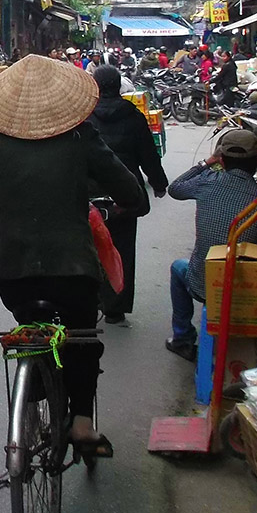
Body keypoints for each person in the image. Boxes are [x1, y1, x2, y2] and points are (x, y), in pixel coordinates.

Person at [0, 55, 143, 460]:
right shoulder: (80, 135)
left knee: (32, 328)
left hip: (12, 272)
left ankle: (38, 379)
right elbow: (131, 192)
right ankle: (81, 423)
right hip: (72, 269)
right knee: (82, 336)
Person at [165, 130, 257, 362]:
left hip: (203, 283)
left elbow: (176, 188)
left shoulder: (207, 182)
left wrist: (207, 162)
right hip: (248, 288)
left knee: (178, 268)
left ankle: (182, 339)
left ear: (221, 160)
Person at [87, 66, 169, 324]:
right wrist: (158, 183)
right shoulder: (133, 116)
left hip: (90, 195)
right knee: (122, 249)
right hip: (123, 195)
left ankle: (92, 300)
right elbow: (148, 154)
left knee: (90, 248)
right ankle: (115, 307)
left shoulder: (86, 116)